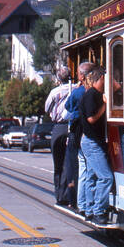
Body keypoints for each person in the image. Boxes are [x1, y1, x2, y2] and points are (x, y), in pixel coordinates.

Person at [77, 69, 112, 224]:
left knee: (91, 176)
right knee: (106, 177)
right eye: (105, 79)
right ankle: (98, 211)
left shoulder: (93, 94)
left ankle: (89, 209)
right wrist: (105, 106)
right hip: (91, 143)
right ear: (101, 78)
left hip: (90, 141)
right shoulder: (91, 95)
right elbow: (91, 119)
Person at [59, 63, 94, 209]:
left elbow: (66, 109)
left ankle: (75, 201)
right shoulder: (93, 91)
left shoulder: (78, 92)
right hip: (89, 131)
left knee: (75, 167)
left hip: (76, 131)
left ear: (81, 76)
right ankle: (86, 202)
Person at [44, 73, 74, 203]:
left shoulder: (54, 92)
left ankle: (59, 195)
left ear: (58, 79)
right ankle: (68, 194)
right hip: (71, 126)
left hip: (58, 127)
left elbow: (47, 108)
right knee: (69, 163)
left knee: (58, 163)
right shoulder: (75, 89)